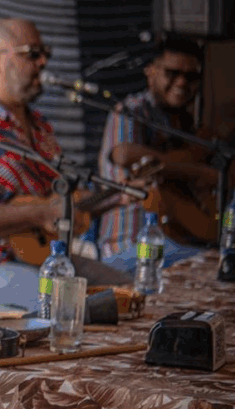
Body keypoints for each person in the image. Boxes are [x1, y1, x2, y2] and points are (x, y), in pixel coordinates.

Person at [0, 18, 130, 312]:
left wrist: (114, 197)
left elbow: (59, 201)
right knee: (68, 310)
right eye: (32, 53)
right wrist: (40, 213)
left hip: (44, 258)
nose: (43, 62)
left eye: (46, 53)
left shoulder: (38, 126)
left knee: (128, 296)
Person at [96, 37, 216, 273]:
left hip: (174, 240)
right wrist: (199, 172)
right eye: (172, 73)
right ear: (150, 71)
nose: (182, 82)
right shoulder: (132, 110)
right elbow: (124, 154)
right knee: (213, 264)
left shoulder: (186, 124)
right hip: (129, 245)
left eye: (191, 77)